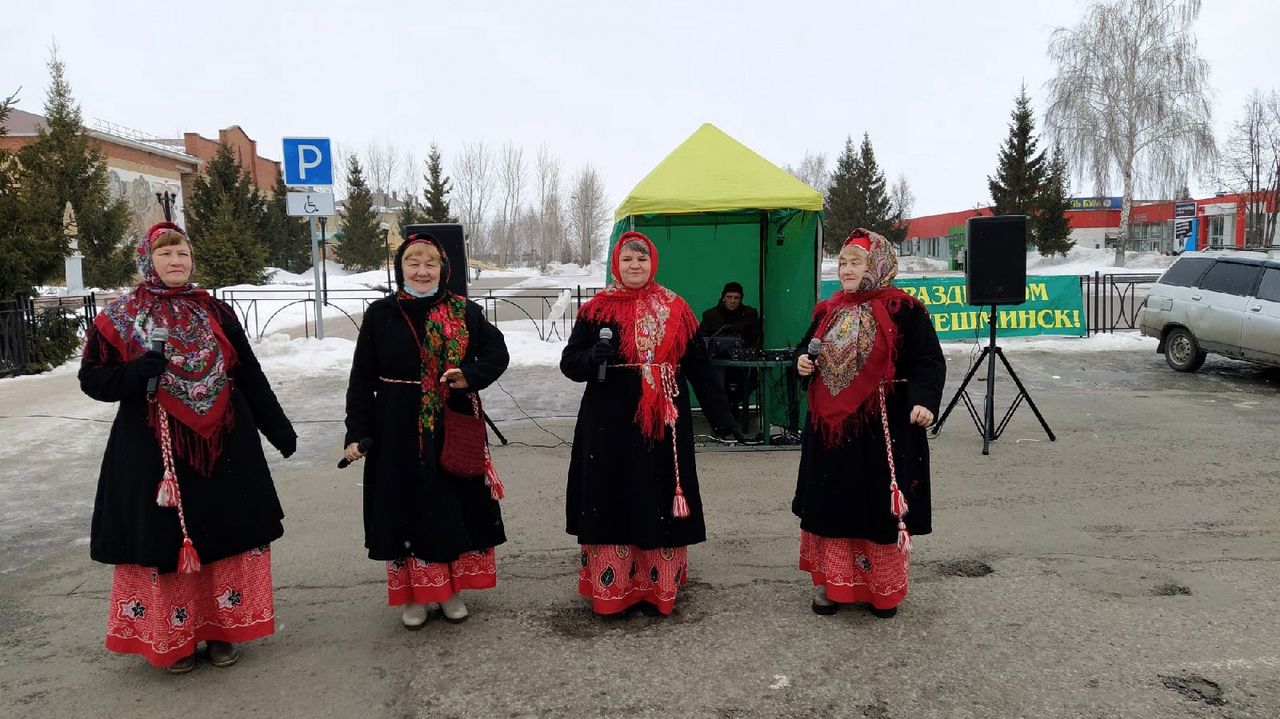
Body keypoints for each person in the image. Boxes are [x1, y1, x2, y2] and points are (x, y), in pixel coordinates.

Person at [79, 222, 296, 674]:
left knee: (227, 533)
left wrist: (278, 428)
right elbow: (93, 380)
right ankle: (174, 637)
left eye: (182, 253)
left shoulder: (215, 312)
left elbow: (249, 374)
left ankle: (221, 630)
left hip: (224, 445)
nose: (177, 262)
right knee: (167, 541)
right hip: (154, 451)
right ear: (147, 261)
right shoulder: (120, 317)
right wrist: (135, 374)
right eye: (165, 254)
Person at [560, 231, 741, 617]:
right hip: (607, 424)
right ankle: (615, 588)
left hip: (662, 426)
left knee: (654, 496)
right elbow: (569, 365)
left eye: (642, 259)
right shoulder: (596, 311)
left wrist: (723, 418)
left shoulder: (676, 308)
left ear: (653, 263)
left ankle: (657, 586)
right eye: (627, 259)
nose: (635, 266)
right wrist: (593, 356)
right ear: (616, 264)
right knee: (613, 498)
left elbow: (699, 370)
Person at [343, 234, 510, 630]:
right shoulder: (381, 314)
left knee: (451, 507)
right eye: (413, 263)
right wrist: (357, 429)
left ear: (443, 269)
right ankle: (414, 595)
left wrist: (469, 376)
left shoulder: (463, 311)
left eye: (430, 263)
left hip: (451, 420)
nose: (421, 271)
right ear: (401, 267)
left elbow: (497, 353)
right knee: (405, 508)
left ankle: (450, 591)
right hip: (396, 426)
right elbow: (361, 378)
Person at [793, 229, 945, 619]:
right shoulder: (828, 309)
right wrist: (802, 363)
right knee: (832, 503)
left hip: (884, 427)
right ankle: (830, 585)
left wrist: (924, 401)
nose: (845, 269)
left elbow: (927, 361)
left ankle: (882, 590)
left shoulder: (904, 309)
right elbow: (804, 347)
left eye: (855, 262)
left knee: (876, 507)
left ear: (876, 265)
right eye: (842, 262)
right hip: (830, 432)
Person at [700, 281, 763, 415]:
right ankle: (728, 406)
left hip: (742, 365)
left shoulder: (749, 314)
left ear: (741, 299)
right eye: (729, 297)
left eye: (736, 298)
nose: (732, 301)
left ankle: (731, 403)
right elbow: (702, 339)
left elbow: (757, 337)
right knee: (714, 379)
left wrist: (749, 351)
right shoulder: (710, 315)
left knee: (752, 378)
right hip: (718, 364)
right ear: (723, 298)